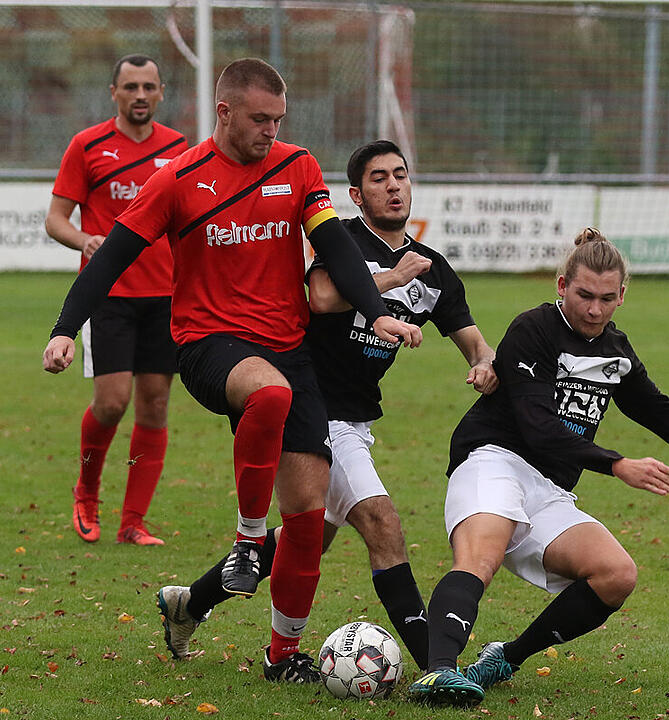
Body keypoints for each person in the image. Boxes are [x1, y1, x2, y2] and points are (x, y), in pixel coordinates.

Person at [43, 59, 422, 683]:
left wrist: (377, 311)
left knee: (303, 522)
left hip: (289, 348)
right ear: (224, 113)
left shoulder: (297, 167)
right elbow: (110, 258)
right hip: (208, 344)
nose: (271, 131)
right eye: (259, 120)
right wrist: (64, 330)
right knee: (267, 397)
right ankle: (248, 541)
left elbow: (332, 249)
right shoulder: (178, 179)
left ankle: (281, 657)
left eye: (279, 120)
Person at [406, 228, 669, 707]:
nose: (594, 309)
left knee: (616, 574)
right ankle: (439, 671)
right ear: (561, 285)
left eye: (607, 299)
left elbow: (658, 410)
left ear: (622, 295)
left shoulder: (614, 348)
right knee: (479, 560)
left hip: (549, 486)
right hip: (493, 460)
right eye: (584, 295)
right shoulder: (532, 329)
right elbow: (537, 426)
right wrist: (616, 465)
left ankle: (504, 658)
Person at [155, 140, 498, 672]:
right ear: (357, 196)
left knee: (305, 539)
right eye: (379, 178)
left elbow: (475, 340)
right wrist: (389, 279)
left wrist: (482, 363)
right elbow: (321, 298)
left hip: (357, 420)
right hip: (313, 410)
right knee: (382, 524)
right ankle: (438, 666)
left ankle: (189, 603)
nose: (393, 186)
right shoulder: (342, 243)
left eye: (400, 175)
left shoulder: (433, 268)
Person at [45, 54, 188, 547]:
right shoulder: (88, 145)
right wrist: (82, 240)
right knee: (111, 402)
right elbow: (56, 219)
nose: (140, 95)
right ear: (114, 92)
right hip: (108, 296)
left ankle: (133, 522)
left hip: (165, 296)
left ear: (162, 91)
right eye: (131, 87)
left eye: (149, 86)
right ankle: (86, 493)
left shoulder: (179, 149)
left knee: (154, 404)